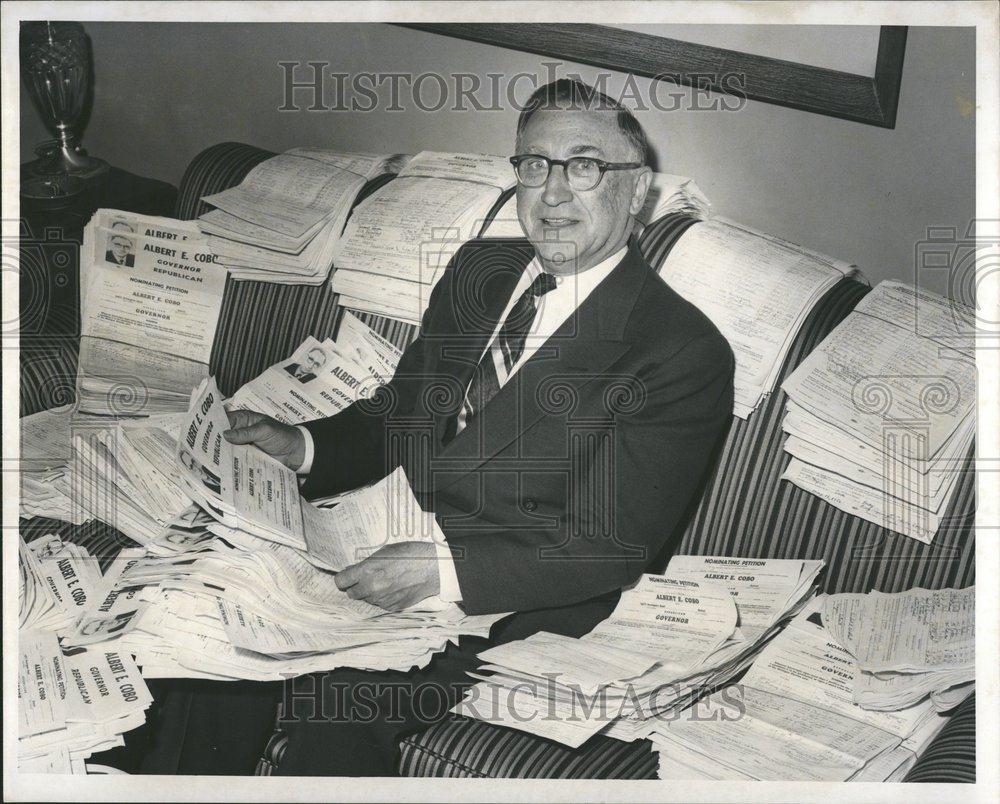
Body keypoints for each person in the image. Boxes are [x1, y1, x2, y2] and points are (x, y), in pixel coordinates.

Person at [158, 79, 734, 776]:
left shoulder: (677, 348)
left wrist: (438, 572)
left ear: (636, 190)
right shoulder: (481, 271)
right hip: (380, 531)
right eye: (533, 165)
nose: (552, 194)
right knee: (204, 609)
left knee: (345, 698)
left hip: (515, 591)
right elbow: (402, 411)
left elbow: (606, 546)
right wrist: (304, 444)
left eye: (584, 167)